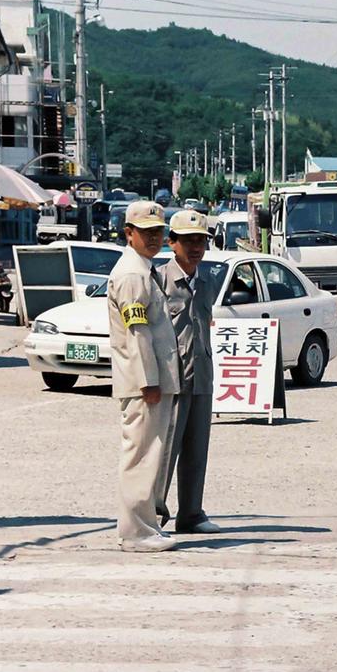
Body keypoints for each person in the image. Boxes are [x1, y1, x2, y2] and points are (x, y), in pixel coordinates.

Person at [108, 201, 181, 553]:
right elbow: (137, 332)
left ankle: (146, 525)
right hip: (144, 383)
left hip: (151, 380)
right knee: (140, 455)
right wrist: (148, 381)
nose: (154, 238)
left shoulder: (143, 268)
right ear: (129, 233)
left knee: (150, 454)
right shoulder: (132, 274)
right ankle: (136, 532)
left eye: (159, 232)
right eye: (146, 232)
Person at [156, 210, 221, 534]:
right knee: (166, 447)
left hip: (202, 374)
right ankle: (153, 515)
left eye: (201, 241)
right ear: (172, 243)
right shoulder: (158, 280)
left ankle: (191, 513)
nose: (196, 247)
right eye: (188, 241)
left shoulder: (208, 281)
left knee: (197, 448)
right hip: (172, 376)